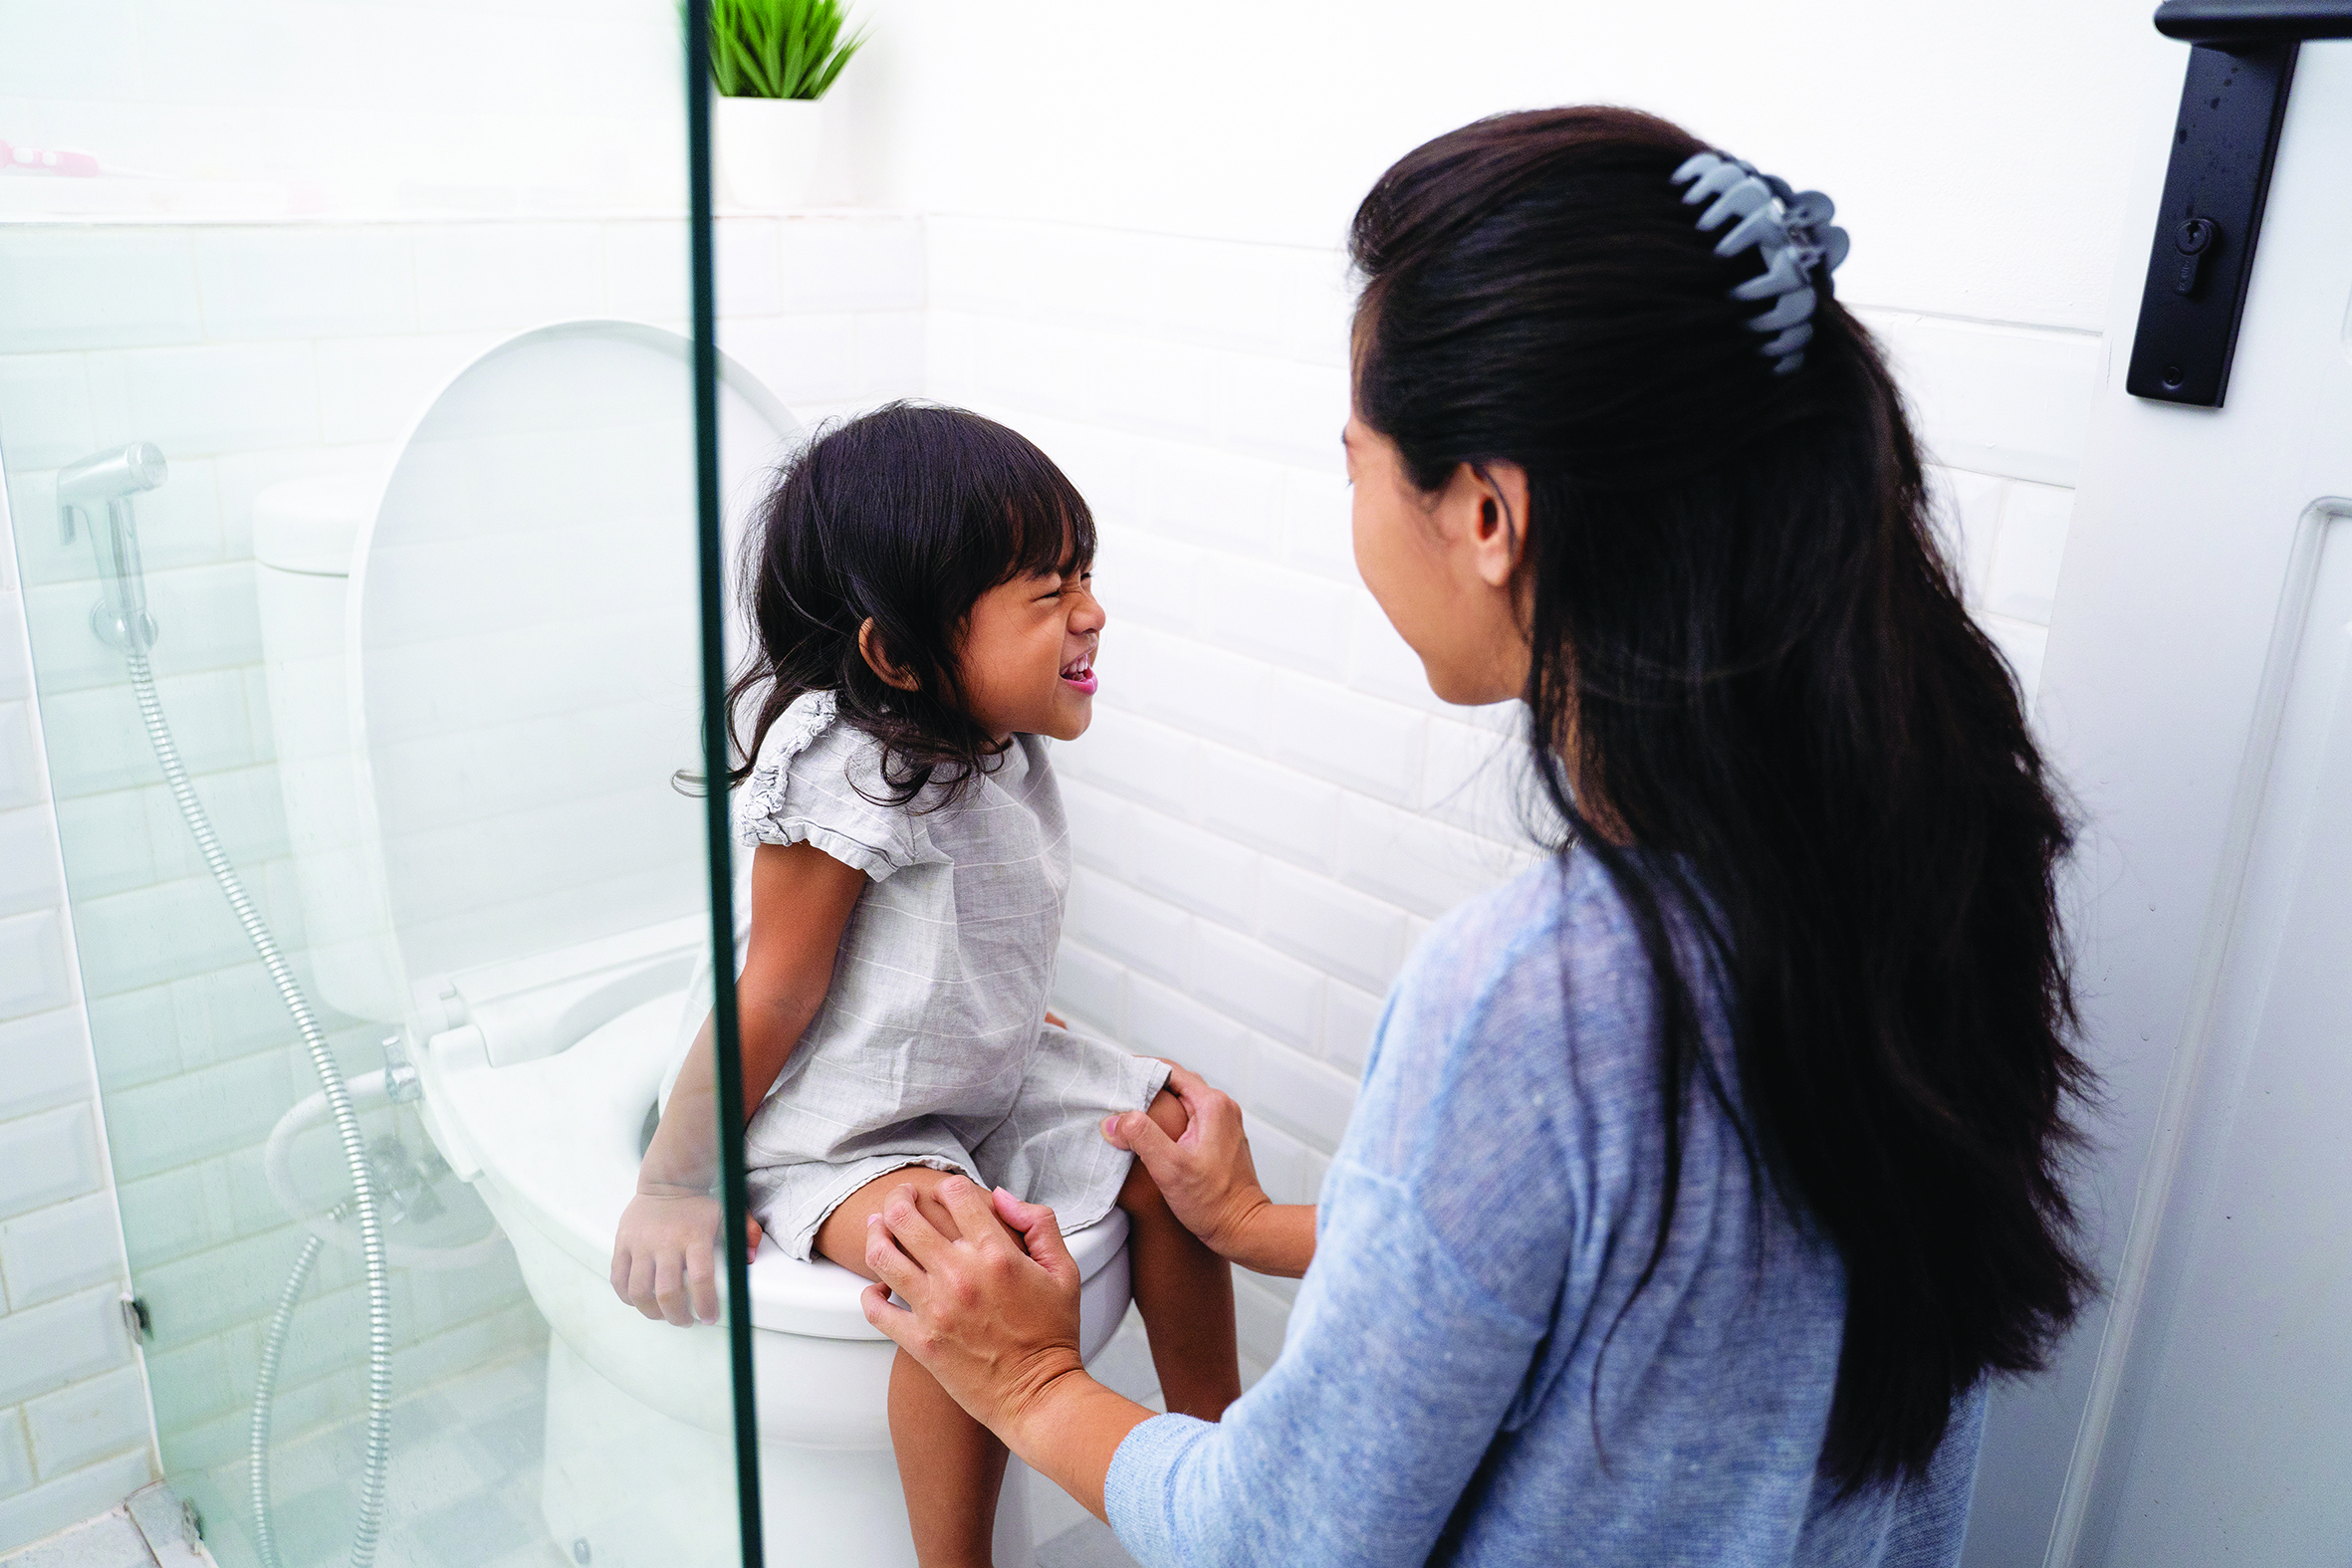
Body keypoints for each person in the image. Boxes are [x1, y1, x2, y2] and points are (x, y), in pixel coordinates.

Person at [855, 107, 2094, 1566]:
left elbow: (1292, 1537)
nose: (1355, 498)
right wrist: (1257, 1223)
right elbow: (1658, 1298)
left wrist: (1030, 1377)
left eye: (1360, 458)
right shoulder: (1936, 846)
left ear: (1490, 511)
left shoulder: (1538, 992)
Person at [608, 403, 1241, 1568]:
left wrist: (1015, 1028)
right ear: (896, 658)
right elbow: (775, 997)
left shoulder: (994, 734)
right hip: (839, 1124)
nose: (1091, 612)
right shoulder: (846, 773)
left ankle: (1227, 1479)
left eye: (1084, 576)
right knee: (956, 1261)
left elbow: (956, 935)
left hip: (966, 1082)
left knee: (1161, 1135)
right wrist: (675, 1180)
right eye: (1047, 595)